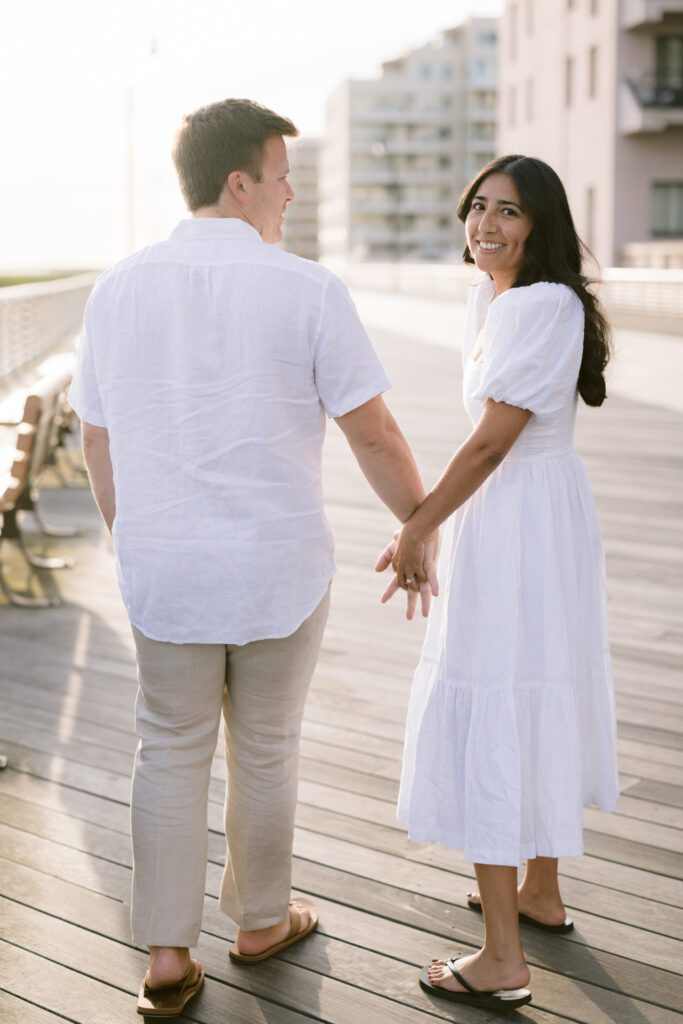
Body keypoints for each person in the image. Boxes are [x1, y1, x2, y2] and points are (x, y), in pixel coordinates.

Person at [69, 98, 437, 1018]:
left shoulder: (116, 289)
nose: (290, 195)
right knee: (267, 748)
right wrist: (419, 524)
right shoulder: (307, 289)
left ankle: (166, 956)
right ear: (240, 183)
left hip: (165, 568)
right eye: (282, 178)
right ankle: (264, 922)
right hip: (278, 567)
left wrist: (130, 535)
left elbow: (97, 437)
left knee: (168, 747)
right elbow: (373, 432)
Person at [376, 154, 618, 1013]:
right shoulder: (497, 298)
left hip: (517, 518)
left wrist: (417, 525)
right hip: (537, 516)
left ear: (540, 226)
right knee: (532, 682)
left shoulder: (537, 305)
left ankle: (502, 958)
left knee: (493, 690)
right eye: (478, 205)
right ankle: (539, 890)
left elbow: (490, 442)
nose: (485, 223)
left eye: (508, 211)